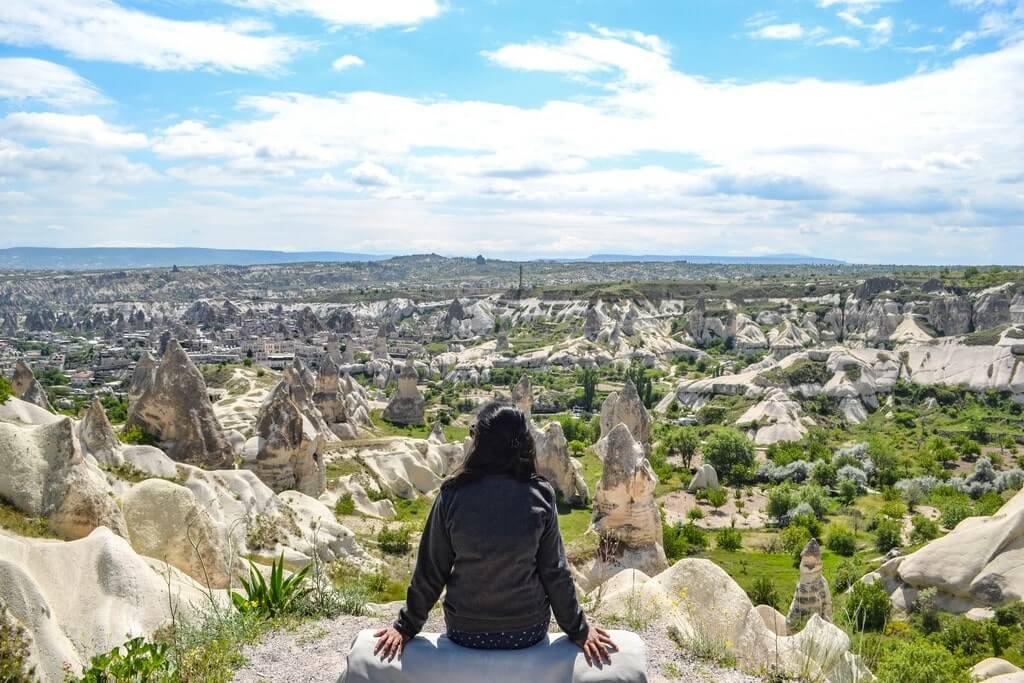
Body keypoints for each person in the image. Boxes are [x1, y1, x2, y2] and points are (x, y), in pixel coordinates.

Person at [373, 402, 616, 664]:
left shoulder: (452, 495)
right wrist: (579, 629)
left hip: (465, 631)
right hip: (527, 631)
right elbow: (554, 571)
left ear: (480, 444)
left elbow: (432, 569)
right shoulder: (540, 494)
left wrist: (405, 626)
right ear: (524, 444)